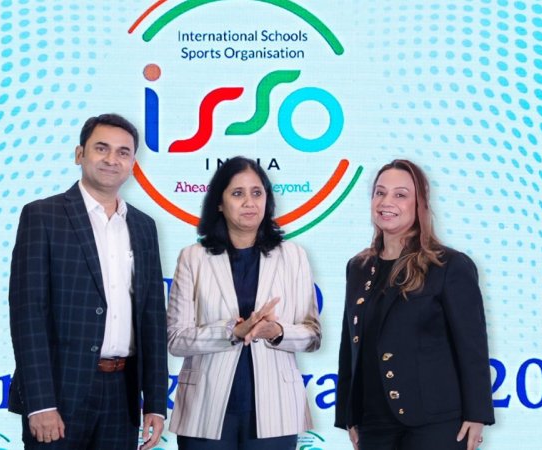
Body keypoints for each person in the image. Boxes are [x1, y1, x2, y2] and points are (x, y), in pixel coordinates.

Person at [8, 113, 168, 450]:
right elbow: (28, 314)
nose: (112, 159)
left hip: (122, 395)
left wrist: (155, 402)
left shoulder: (144, 226)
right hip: (59, 393)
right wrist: (40, 402)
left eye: (123, 152)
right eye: (101, 148)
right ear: (80, 154)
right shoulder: (43, 216)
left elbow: (152, 317)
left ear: (133, 163)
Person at [335, 159, 495, 450]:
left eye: (400, 194)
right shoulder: (358, 267)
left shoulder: (449, 265)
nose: (387, 202)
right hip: (373, 421)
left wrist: (477, 413)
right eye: (380, 192)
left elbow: (471, 346)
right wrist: (349, 413)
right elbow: (350, 345)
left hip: (436, 422)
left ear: (419, 204)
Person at [166, 156, 321, 450]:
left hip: (276, 411)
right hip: (204, 409)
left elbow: (312, 336)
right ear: (219, 203)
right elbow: (175, 340)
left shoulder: (294, 256)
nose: (249, 202)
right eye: (238, 193)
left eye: (257, 193)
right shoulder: (193, 258)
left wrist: (277, 331)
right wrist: (232, 332)